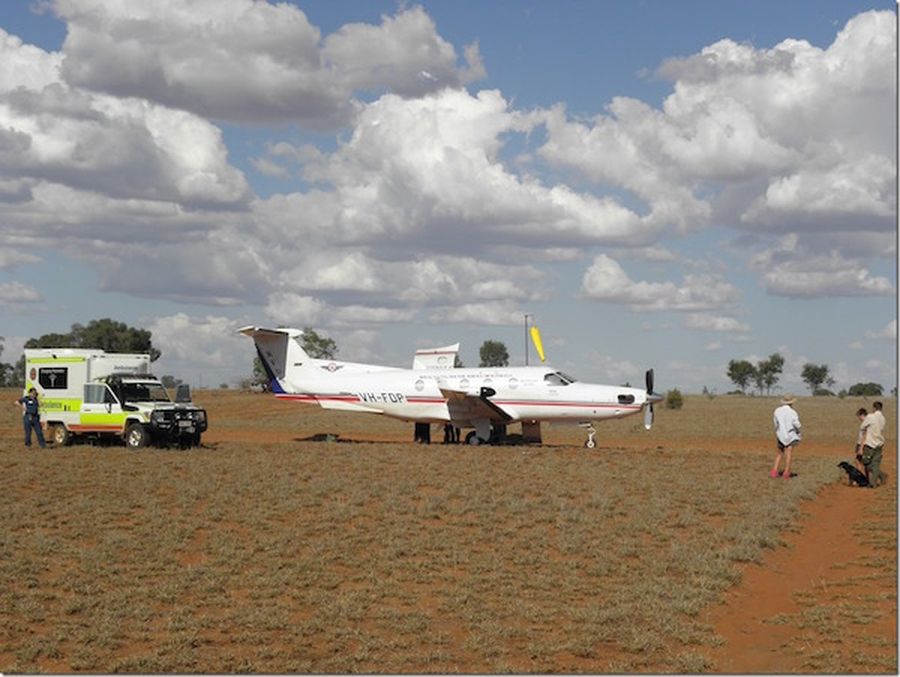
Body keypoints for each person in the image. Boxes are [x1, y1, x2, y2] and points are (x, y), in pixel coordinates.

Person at [771, 395, 801, 479]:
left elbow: (776, 424)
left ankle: (774, 471)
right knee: (789, 454)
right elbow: (797, 424)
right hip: (790, 435)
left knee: (779, 453)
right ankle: (786, 472)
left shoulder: (777, 411)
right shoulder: (793, 412)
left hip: (780, 435)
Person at [859, 401, 886, 488]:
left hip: (870, 443)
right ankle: (876, 480)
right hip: (879, 443)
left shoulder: (871, 416)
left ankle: (874, 481)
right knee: (876, 463)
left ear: (874, 408)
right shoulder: (883, 418)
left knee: (867, 463)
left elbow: (862, 427)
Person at [854, 408, 868, 474]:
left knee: (859, 461)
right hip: (860, 444)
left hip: (862, 444)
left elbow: (865, 436)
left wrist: (861, 448)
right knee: (860, 461)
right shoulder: (866, 422)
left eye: (859, 416)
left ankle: (861, 477)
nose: (859, 418)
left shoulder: (866, 423)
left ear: (862, 415)